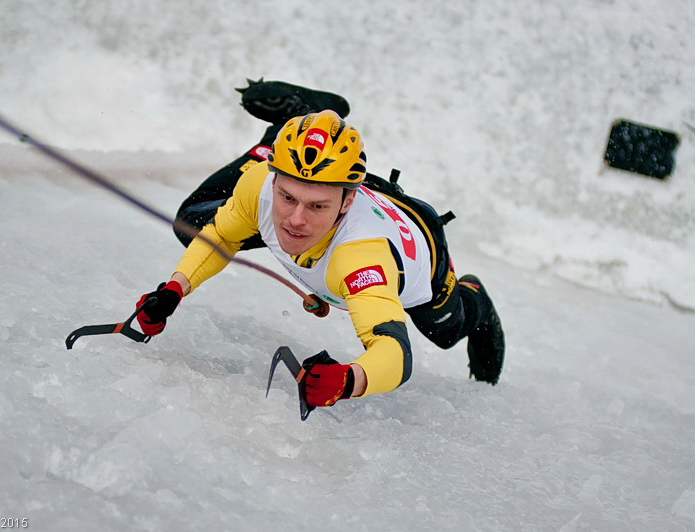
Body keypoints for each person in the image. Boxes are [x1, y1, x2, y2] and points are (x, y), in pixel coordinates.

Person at [135, 80, 505, 409]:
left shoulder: (361, 259)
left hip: (418, 241)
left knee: (446, 332)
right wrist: (173, 289)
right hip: (326, 182)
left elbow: (394, 354)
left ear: (345, 204)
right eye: (287, 198)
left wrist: (348, 381)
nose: (295, 219)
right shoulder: (260, 184)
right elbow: (220, 236)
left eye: (316, 207)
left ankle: (474, 295)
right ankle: (289, 127)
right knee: (193, 223)